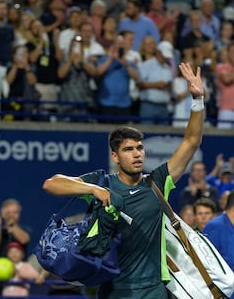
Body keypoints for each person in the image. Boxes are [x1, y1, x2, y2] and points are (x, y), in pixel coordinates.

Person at [42, 62, 205, 299]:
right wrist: (93, 190)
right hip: (113, 291)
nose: (137, 153)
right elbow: (51, 183)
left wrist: (197, 101)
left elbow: (191, 142)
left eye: (140, 148)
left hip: (154, 292)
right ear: (115, 156)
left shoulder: (157, 182)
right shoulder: (102, 182)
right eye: (129, 149)